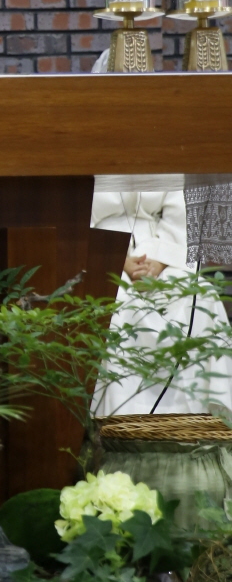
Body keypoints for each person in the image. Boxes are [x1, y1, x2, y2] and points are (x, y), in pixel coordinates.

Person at [91, 176, 232, 416]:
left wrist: (158, 260)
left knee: (199, 295)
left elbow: (177, 216)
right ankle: (117, 420)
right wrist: (116, 259)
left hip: (157, 250)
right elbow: (74, 213)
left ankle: (194, 419)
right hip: (98, 249)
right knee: (118, 299)